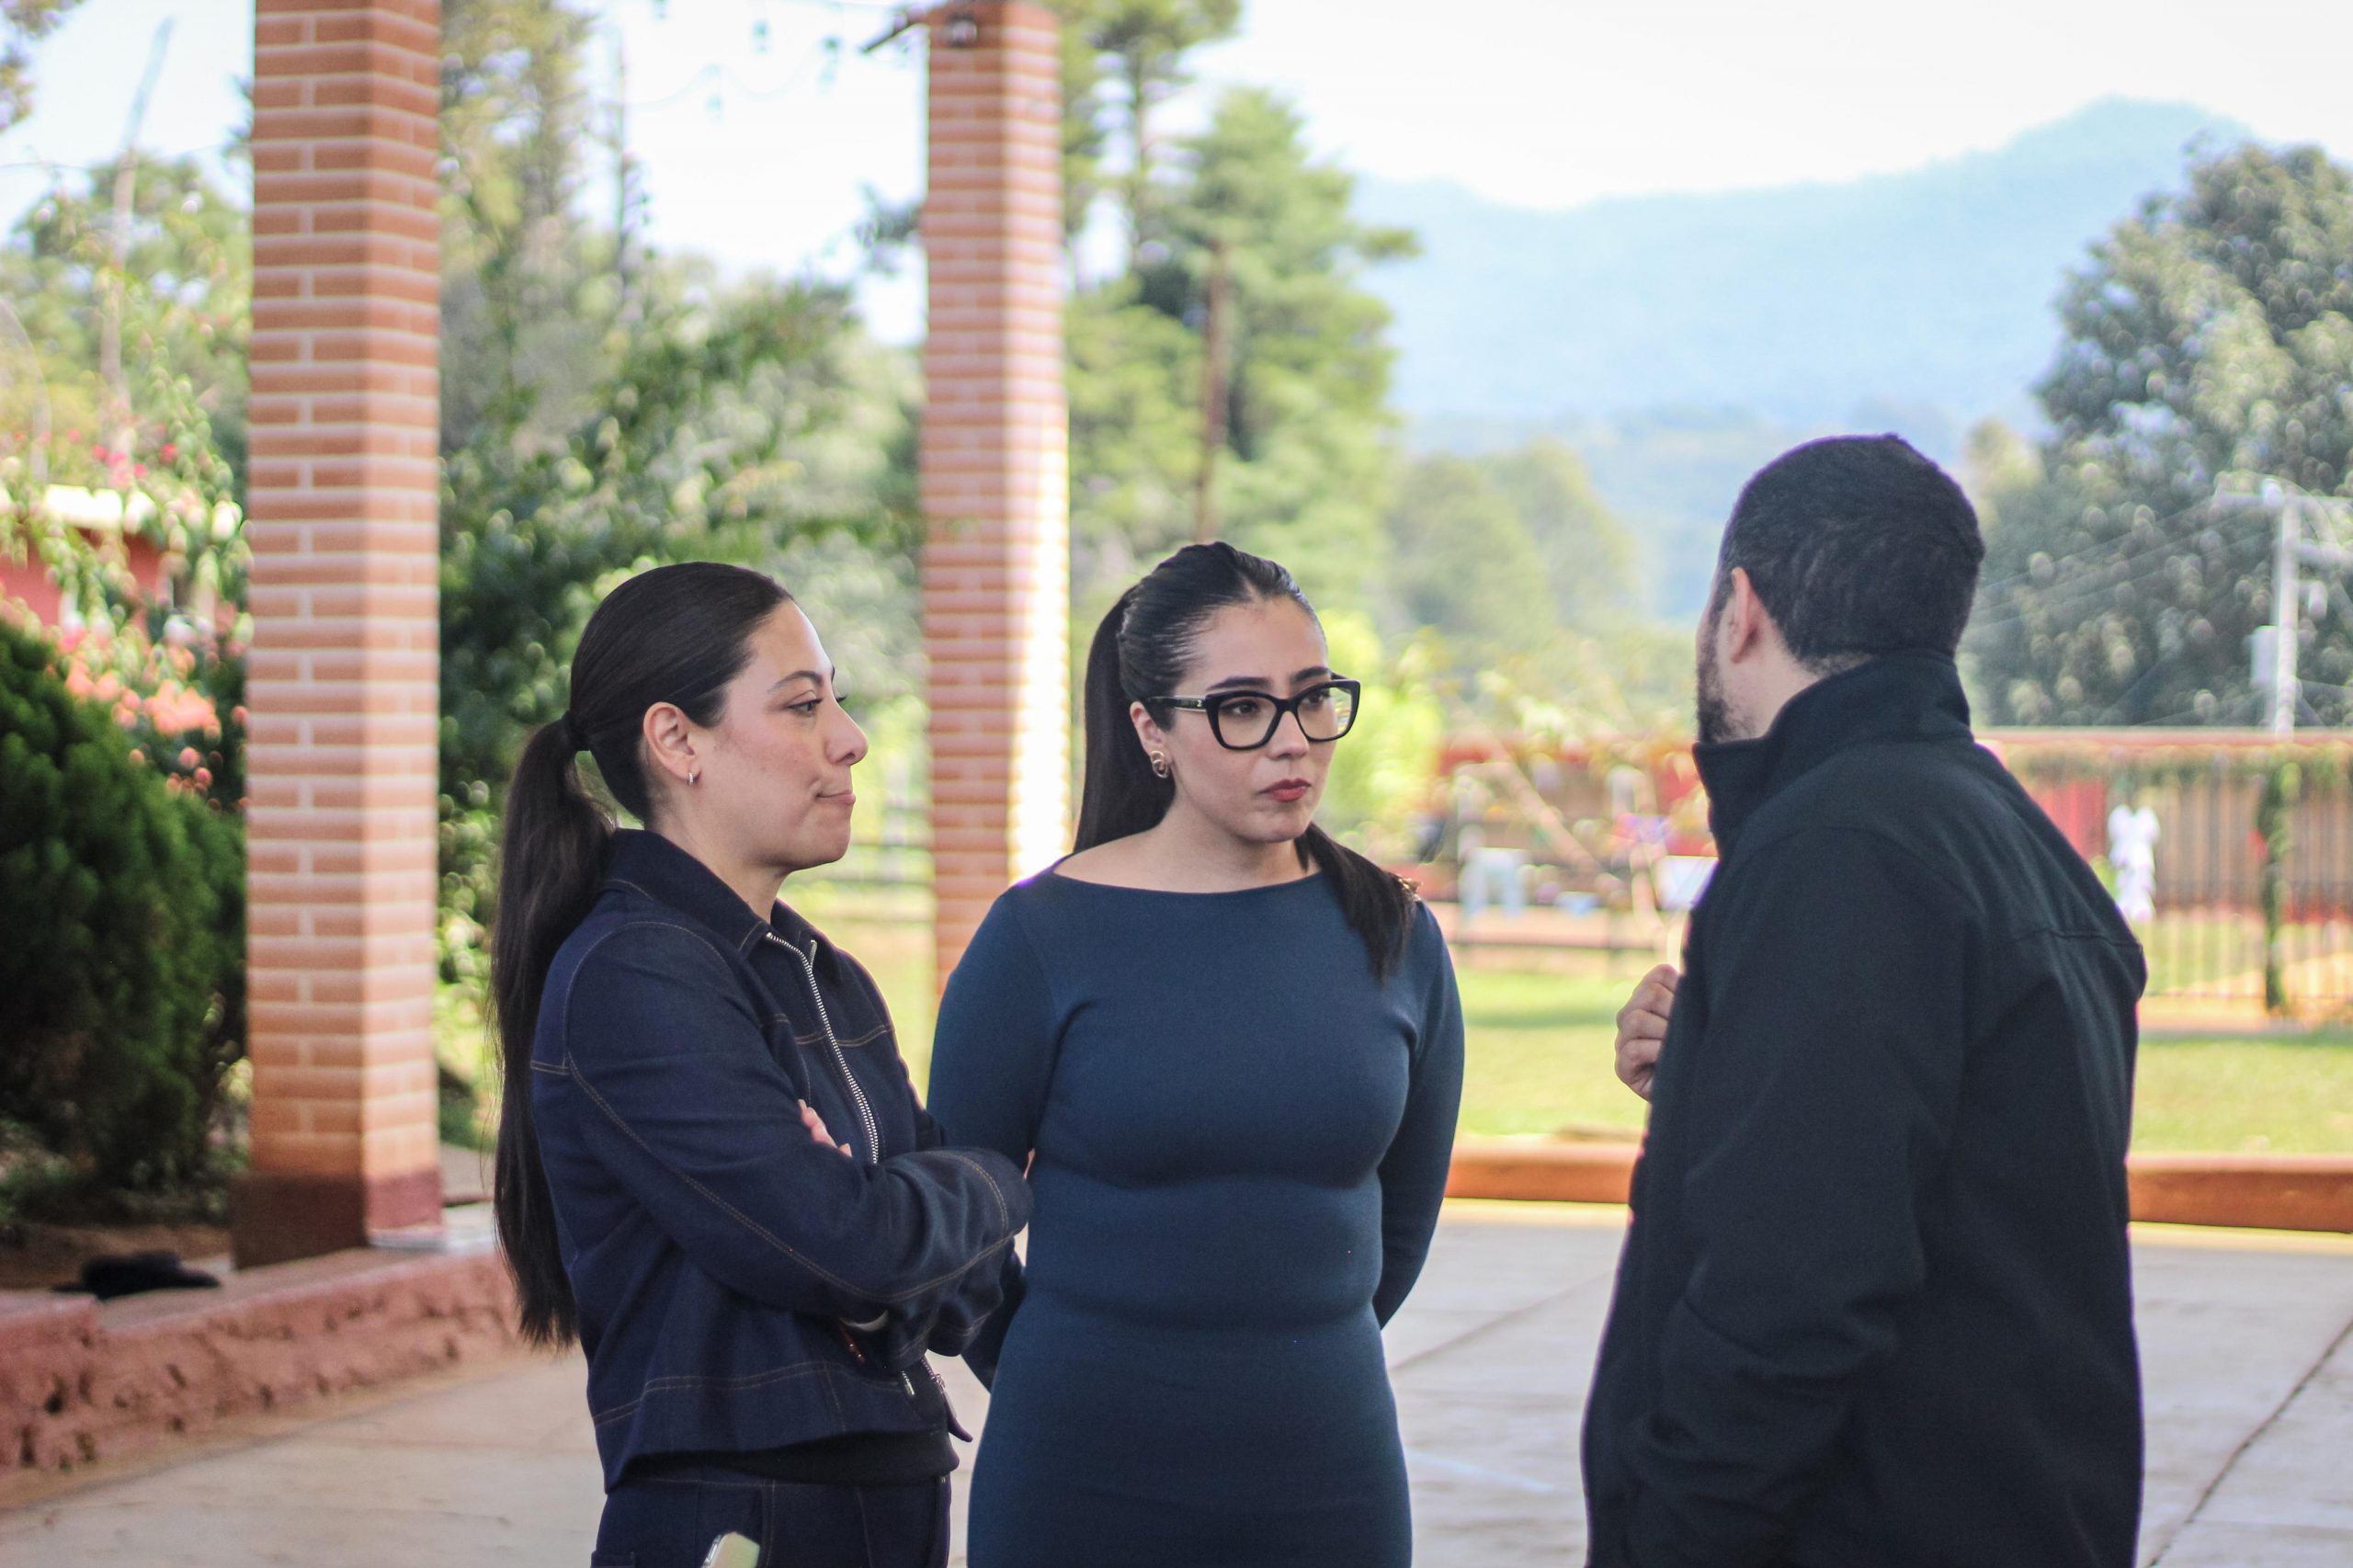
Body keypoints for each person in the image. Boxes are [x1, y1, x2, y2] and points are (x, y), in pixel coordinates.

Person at [1590, 437, 2145, 1568]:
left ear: (1740, 610)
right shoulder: (1996, 831)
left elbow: (1790, 1297)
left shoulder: (1839, 849)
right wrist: (1717, 1072)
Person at [926, 542, 1465, 1568]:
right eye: (1241, 708)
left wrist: (1287, 1360)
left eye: (1314, 698)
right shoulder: (1039, 937)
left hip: (1329, 1469)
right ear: (1150, 729)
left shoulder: (1393, 933)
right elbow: (958, 1231)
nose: (1291, 741)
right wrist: (1072, 1375)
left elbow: (1401, 1225)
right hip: (1080, 1471)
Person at [488, 562, 1032, 1568]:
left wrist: (881, 1242)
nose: (850, 738)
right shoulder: (634, 973)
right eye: (802, 704)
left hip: (877, 1506)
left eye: (836, 700)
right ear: (676, 740)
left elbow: (958, 1289)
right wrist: (999, 1178)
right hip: (742, 1522)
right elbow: (847, 1244)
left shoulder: (824, 975)